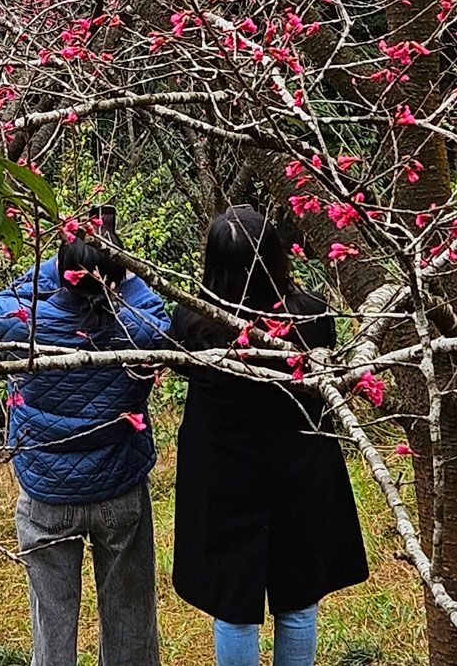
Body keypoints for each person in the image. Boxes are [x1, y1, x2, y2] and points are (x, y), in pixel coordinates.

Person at [169, 205, 368, 666]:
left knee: (233, 606)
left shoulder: (194, 324)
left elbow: (177, 362)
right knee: (297, 601)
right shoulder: (312, 315)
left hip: (223, 475)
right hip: (298, 467)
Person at [0, 217, 170, 666]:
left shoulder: (19, 325)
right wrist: (117, 270)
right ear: (118, 275)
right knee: (131, 620)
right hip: (118, 487)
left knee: (51, 626)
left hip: (46, 491)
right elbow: (152, 302)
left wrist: (65, 260)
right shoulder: (141, 328)